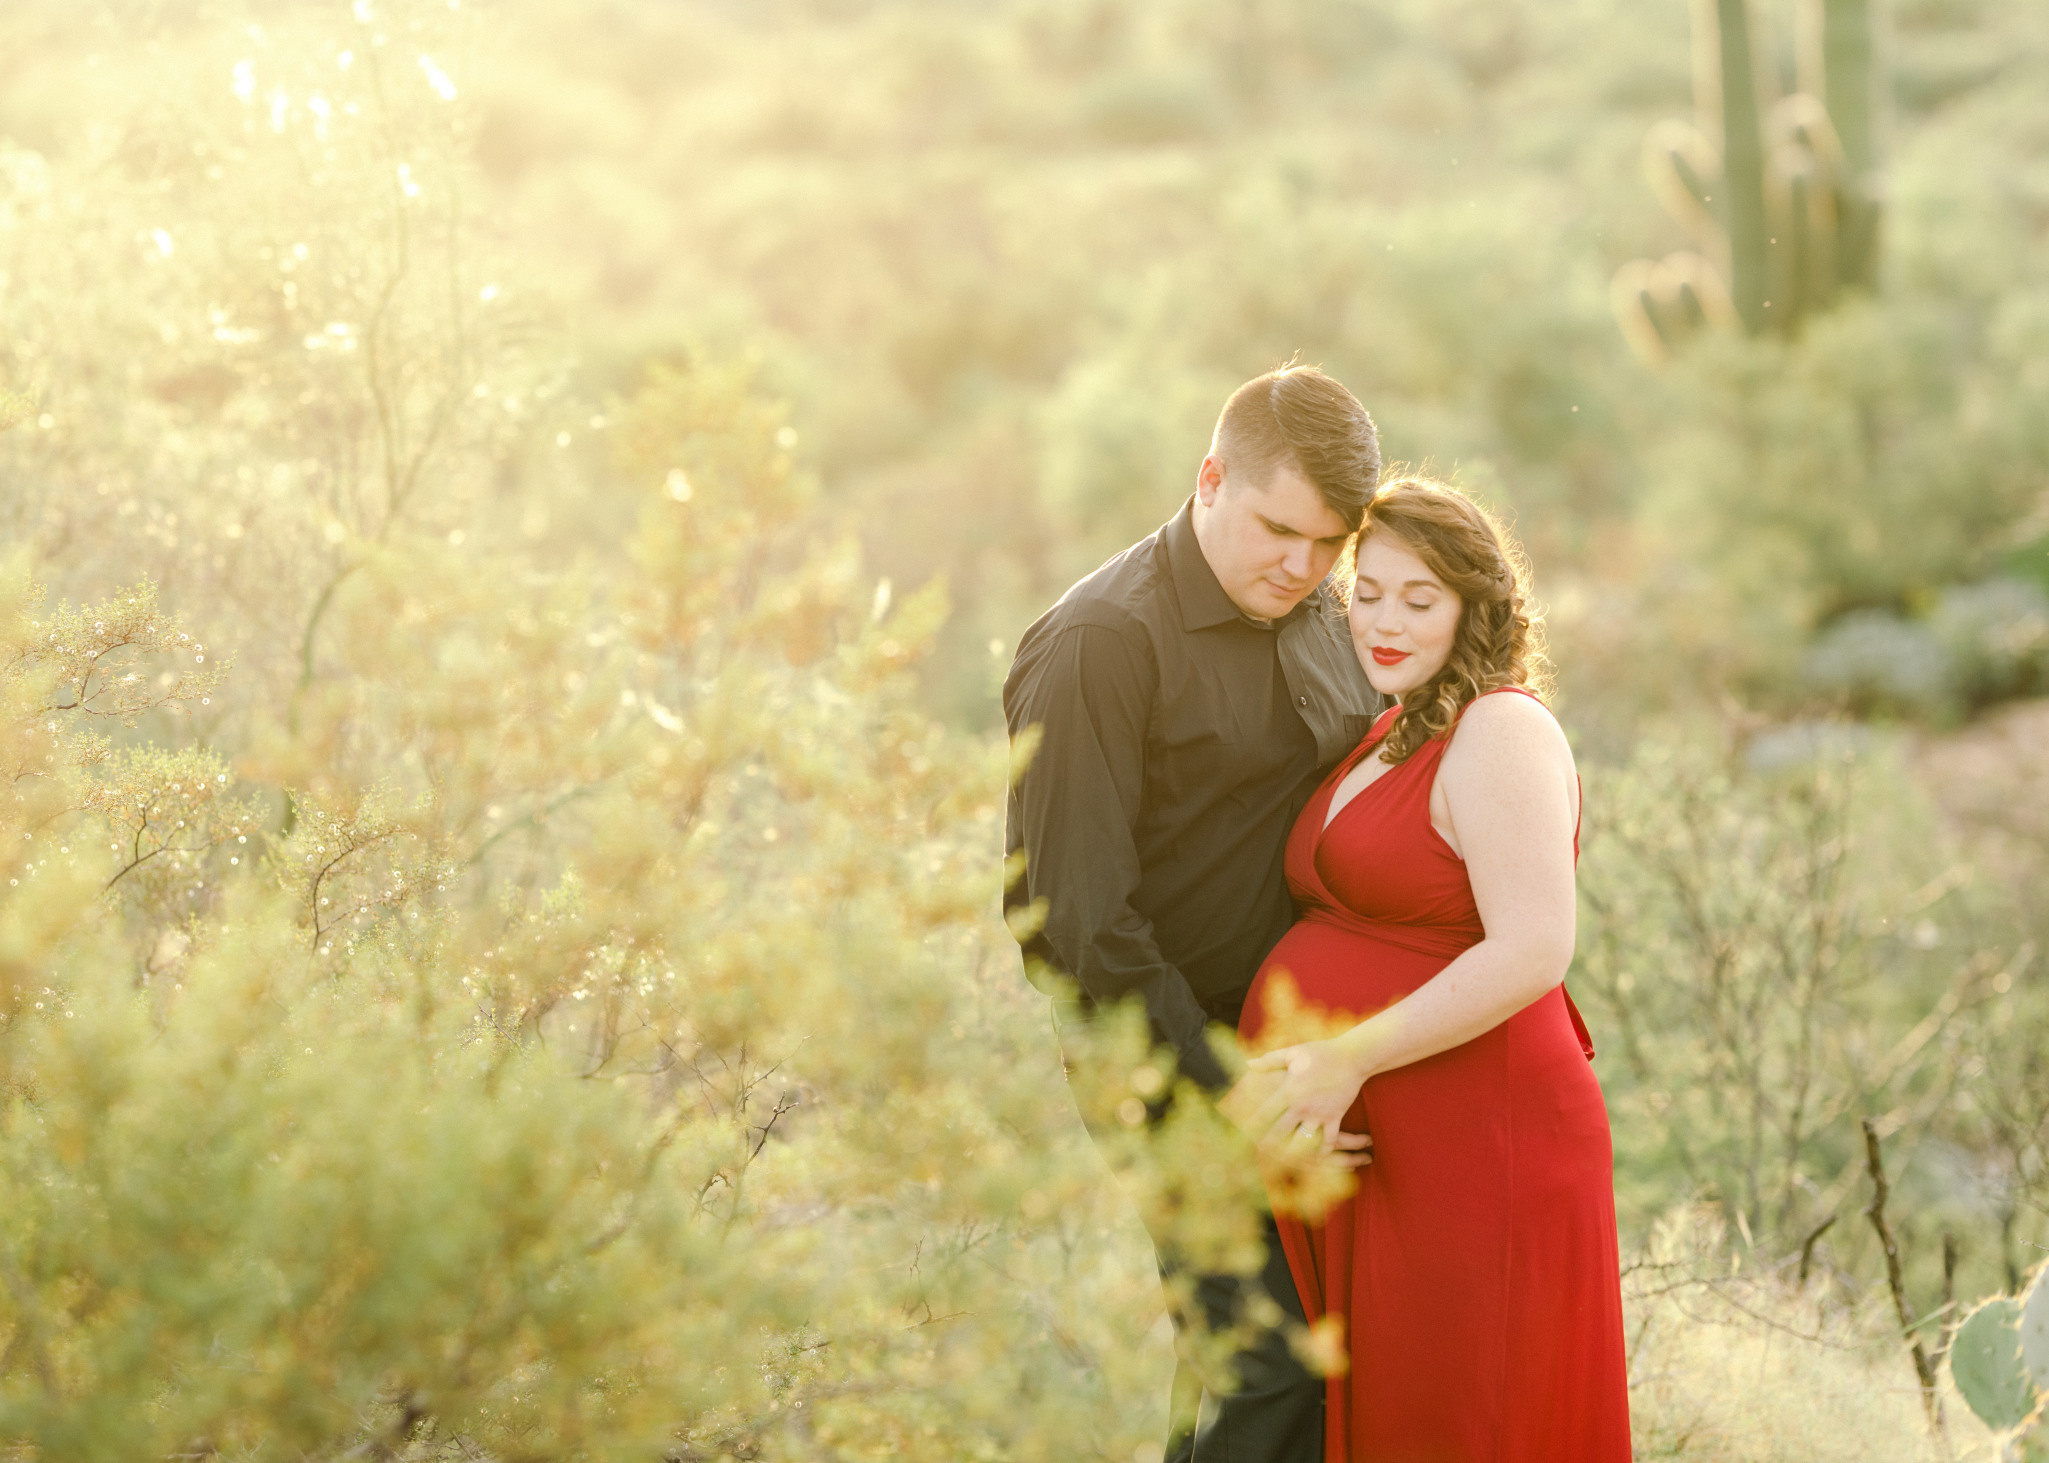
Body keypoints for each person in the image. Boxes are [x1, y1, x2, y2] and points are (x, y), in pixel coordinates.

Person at [1004, 364, 1385, 1463]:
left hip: (1310, 1061)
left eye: (1329, 544)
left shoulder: (1322, 608)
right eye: (1279, 531)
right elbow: (1071, 919)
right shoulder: (1098, 643)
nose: (1303, 566)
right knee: (1268, 1368)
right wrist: (1228, 1089)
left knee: (1302, 1370)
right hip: (1167, 1064)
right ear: (1209, 477)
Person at [1234, 478, 1631, 1462]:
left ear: (1474, 606)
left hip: (1482, 1134)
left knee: (1468, 1418)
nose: (1386, 618)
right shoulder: (1395, 722)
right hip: (1398, 1138)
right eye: (1371, 590)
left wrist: (1342, 1062)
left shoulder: (1501, 725)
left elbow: (1536, 943)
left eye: (1422, 598)